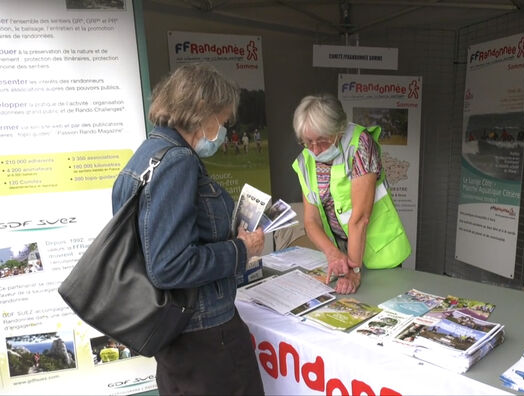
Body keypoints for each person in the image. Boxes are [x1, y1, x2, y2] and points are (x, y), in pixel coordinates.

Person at [112, 63, 265, 394]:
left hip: (178, 333)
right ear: (203, 112)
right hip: (207, 337)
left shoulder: (145, 156)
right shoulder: (176, 162)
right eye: (223, 121)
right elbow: (169, 265)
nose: (223, 131)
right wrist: (241, 249)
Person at [291, 94, 411, 295]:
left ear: (338, 130)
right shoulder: (305, 160)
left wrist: (354, 269)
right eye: (308, 142)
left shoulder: (360, 144)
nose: (316, 150)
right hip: (342, 255)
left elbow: (360, 218)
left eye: (322, 141)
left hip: (378, 252)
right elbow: (311, 221)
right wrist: (333, 254)